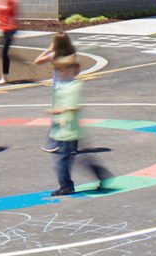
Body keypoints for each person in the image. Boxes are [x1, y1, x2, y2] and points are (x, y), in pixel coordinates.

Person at [48, 55, 112, 195]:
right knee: (74, 157)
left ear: (72, 70)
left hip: (69, 128)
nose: (60, 73)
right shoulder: (62, 84)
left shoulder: (74, 85)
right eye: (59, 70)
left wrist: (61, 111)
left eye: (63, 70)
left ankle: (66, 186)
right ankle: (100, 174)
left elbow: (74, 105)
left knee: (63, 160)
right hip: (62, 128)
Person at [34, 32, 80, 151]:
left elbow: (37, 61)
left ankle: (54, 143)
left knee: (57, 117)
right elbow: (77, 72)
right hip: (71, 87)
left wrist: (48, 50)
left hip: (59, 89)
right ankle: (73, 145)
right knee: (70, 116)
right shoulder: (72, 55)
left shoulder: (53, 56)